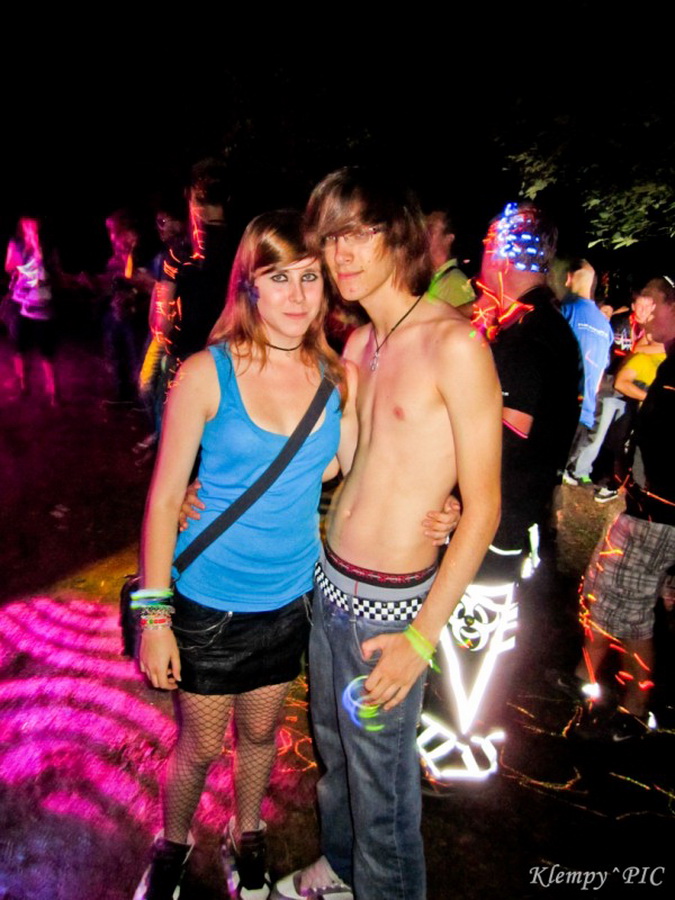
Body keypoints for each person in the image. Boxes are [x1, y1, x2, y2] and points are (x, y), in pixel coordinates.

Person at [134, 208, 453, 900]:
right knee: (200, 744)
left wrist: (443, 499)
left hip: (289, 601)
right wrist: (154, 617)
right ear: (248, 285)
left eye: (310, 277)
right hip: (209, 601)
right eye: (279, 278)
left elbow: (357, 464)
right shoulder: (205, 373)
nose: (298, 295)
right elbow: (162, 502)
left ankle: (246, 834)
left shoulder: (337, 377)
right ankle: (173, 845)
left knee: (259, 737)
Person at [273, 168, 502, 900]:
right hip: (330, 587)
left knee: (384, 794)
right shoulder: (359, 345)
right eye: (329, 238)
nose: (339, 254)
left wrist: (420, 640)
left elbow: (485, 508)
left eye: (358, 234)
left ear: (396, 237)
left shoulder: (455, 345)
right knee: (336, 759)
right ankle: (342, 871)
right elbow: (341, 463)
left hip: (391, 611)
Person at [569, 276, 675, 740]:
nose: (642, 315)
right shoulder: (668, 361)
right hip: (645, 503)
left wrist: (651, 490)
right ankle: (586, 680)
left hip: (658, 512)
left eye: (650, 305)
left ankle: (634, 710)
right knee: (606, 587)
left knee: (629, 605)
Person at [560, 259, 614, 485]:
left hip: (560, 408)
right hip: (586, 413)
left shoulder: (566, 311)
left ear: (569, 278)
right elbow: (600, 374)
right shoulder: (605, 326)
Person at [4, 216, 60, 404]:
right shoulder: (17, 243)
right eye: (26, 224)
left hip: (43, 303)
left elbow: (55, 270)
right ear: (22, 225)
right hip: (21, 302)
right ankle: (23, 387)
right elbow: (9, 267)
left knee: (47, 352)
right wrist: (24, 257)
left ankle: (53, 393)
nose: (30, 227)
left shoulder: (48, 245)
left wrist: (38, 251)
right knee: (20, 348)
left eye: (33, 223)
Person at [425, 209, 475, 317]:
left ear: (448, 239)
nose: (423, 234)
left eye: (430, 230)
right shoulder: (430, 278)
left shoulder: (455, 282)